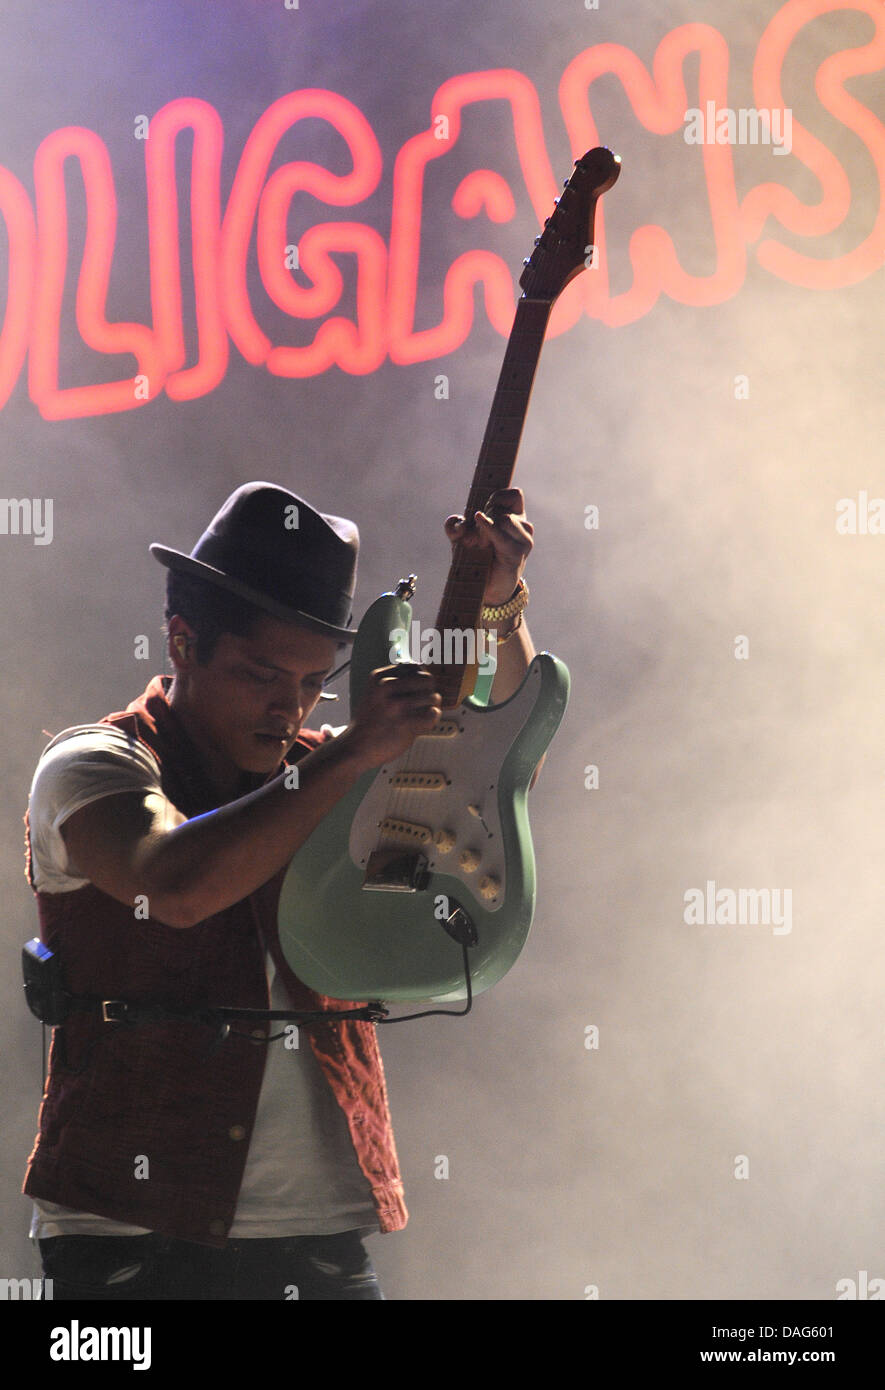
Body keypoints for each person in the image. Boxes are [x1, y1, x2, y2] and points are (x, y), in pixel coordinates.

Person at [22, 479, 538, 1300]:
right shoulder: (96, 764)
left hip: (322, 1233)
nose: (288, 705)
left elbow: (484, 760)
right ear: (183, 643)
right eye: (262, 675)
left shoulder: (334, 762)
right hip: (132, 1237)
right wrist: (353, 749)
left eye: (309, 682)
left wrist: (499, 597)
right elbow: (175, 886)